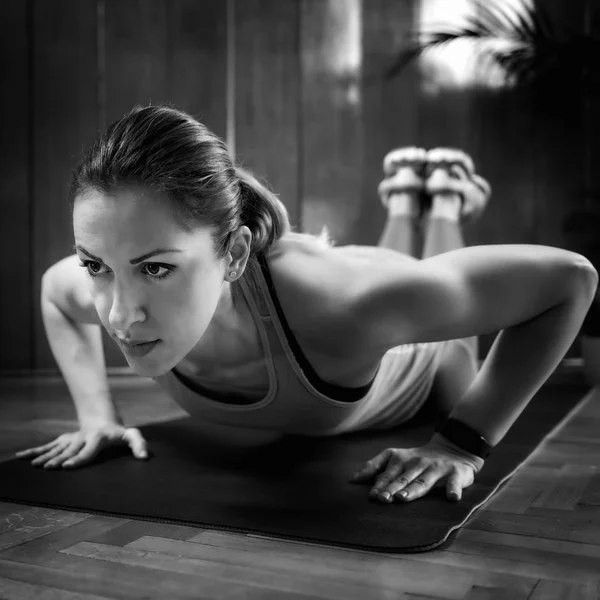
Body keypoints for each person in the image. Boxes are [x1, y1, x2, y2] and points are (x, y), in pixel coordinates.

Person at [16, 105, 597, 506]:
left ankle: (444, 199)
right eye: (96, 265)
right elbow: (54, 291)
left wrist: (462, 445)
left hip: (422, 363)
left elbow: (568, 281)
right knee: (384, 296)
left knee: (413, 301)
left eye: (157, 268)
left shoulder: (344, 305)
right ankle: (401, 196)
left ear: (236, 253)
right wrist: (98, 416)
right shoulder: (111, 287)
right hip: (353, 315)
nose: (118, 316)